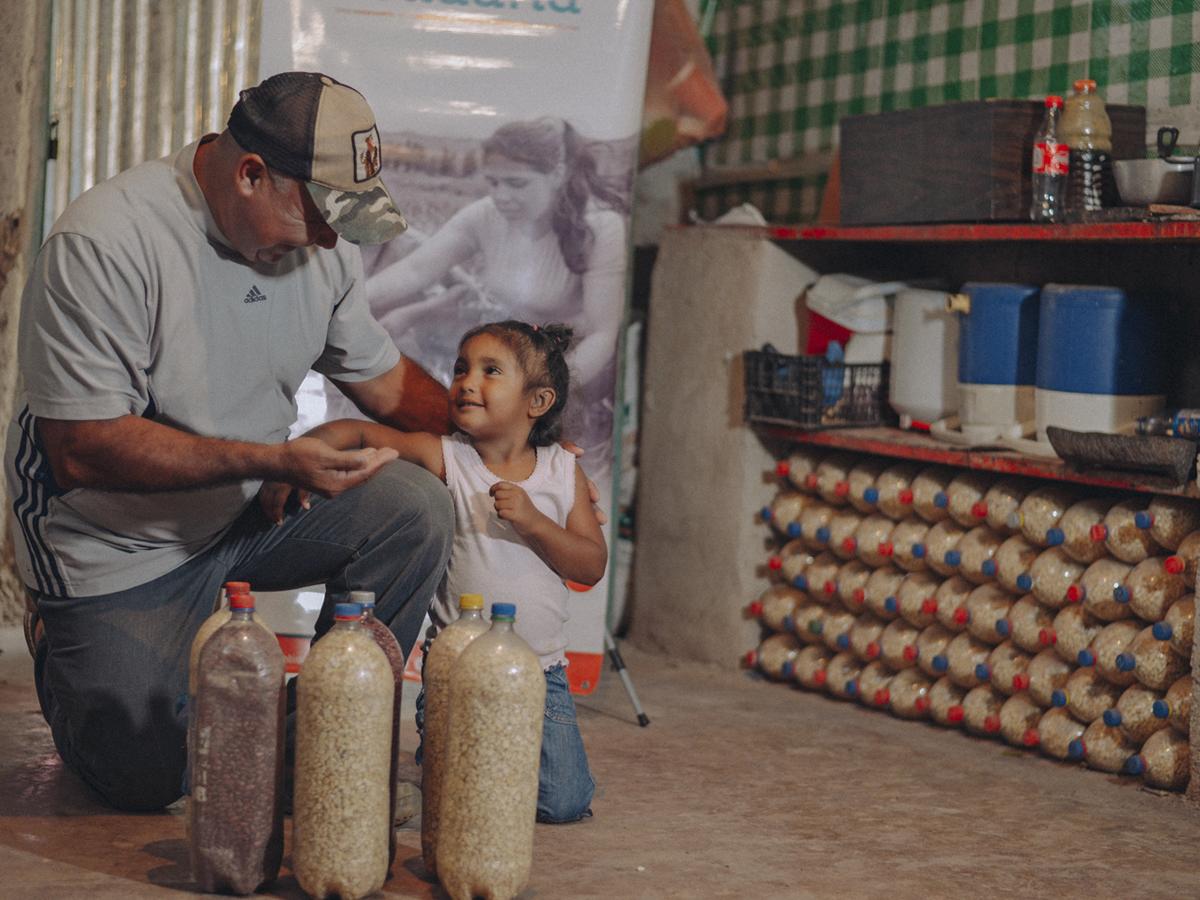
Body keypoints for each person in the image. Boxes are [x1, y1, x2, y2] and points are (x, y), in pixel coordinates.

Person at [4, 71, 456, 812]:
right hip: (117, 546)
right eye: (321, 213)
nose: (330, 238)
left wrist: (516, 442)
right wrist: (272, 459)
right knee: (143, 778)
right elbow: (81, 450)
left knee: (414, 508)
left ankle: (324, 738)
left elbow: (388, 386)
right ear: (250, 174)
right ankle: (66, 648)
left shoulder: (319, 248)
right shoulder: (106, 243)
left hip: (248, 510)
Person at [261, 320, 607, 823]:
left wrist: (534, 522)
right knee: (458, 800)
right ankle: (477, 770)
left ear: (538, 401)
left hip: (539, 674)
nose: (467, 382)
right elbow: (361, 432)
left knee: (563, 803)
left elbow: (591, 565)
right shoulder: (447, 457)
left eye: (491, 371)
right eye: (462, 368)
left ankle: (499, 768)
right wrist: (308, 447)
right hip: (455, 673)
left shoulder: (561, 470)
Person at [361, 117, 630, 463]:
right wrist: (341, 305)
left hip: (575, 368)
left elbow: (603, 334)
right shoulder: (484, 216)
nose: (501, 195)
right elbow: (414, 271)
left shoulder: (602, 227)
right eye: (493, 182)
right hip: (510, 360)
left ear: (557, 175)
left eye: (517, 183)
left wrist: (540, 396)